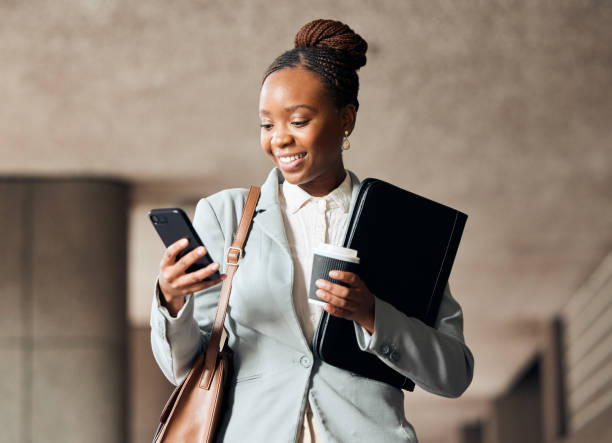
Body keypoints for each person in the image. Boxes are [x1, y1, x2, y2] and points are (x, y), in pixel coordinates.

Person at [150, 18, 474, 443]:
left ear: (346, 121)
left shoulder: (402, 227)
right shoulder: (225, 215)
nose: (279, 139)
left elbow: (454, 373)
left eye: (298, 121)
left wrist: (372, 314)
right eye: (267, 125)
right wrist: (173, 303)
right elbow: (182, 366)